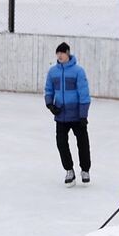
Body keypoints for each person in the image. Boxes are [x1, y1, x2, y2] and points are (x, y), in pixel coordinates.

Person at [45, 42, 91, 185]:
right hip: (61, 115)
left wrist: (83, 115)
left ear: (68, 53)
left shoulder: (78, 71)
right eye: (57, 53)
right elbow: (49, 89)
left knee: (82, 143)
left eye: (62, 53)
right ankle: (69, 170)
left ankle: (85, 170)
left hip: (77, 115)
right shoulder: (53, 72)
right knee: (61, 143)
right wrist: (50, 105)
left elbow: (84, 93)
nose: (59, 56)